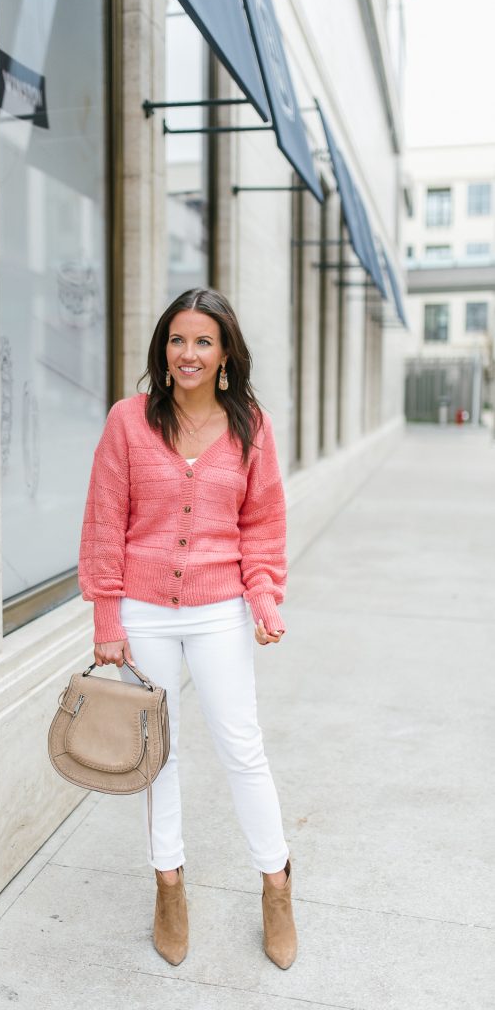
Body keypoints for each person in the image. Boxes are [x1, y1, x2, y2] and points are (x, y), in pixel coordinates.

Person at [78, 287, 296, 970]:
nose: (189, 354)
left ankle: (277, 884)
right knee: (157, 754)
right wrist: (107, 616)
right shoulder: (128, 421)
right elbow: (104, 523)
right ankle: (168, 885)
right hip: (142, 612)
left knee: (241, 747)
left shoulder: (250, 426)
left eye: (204, 341)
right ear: (162, 349)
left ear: (225, 351)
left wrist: (264, 600)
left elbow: (262, 527)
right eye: (178, 340)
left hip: (219, 609)